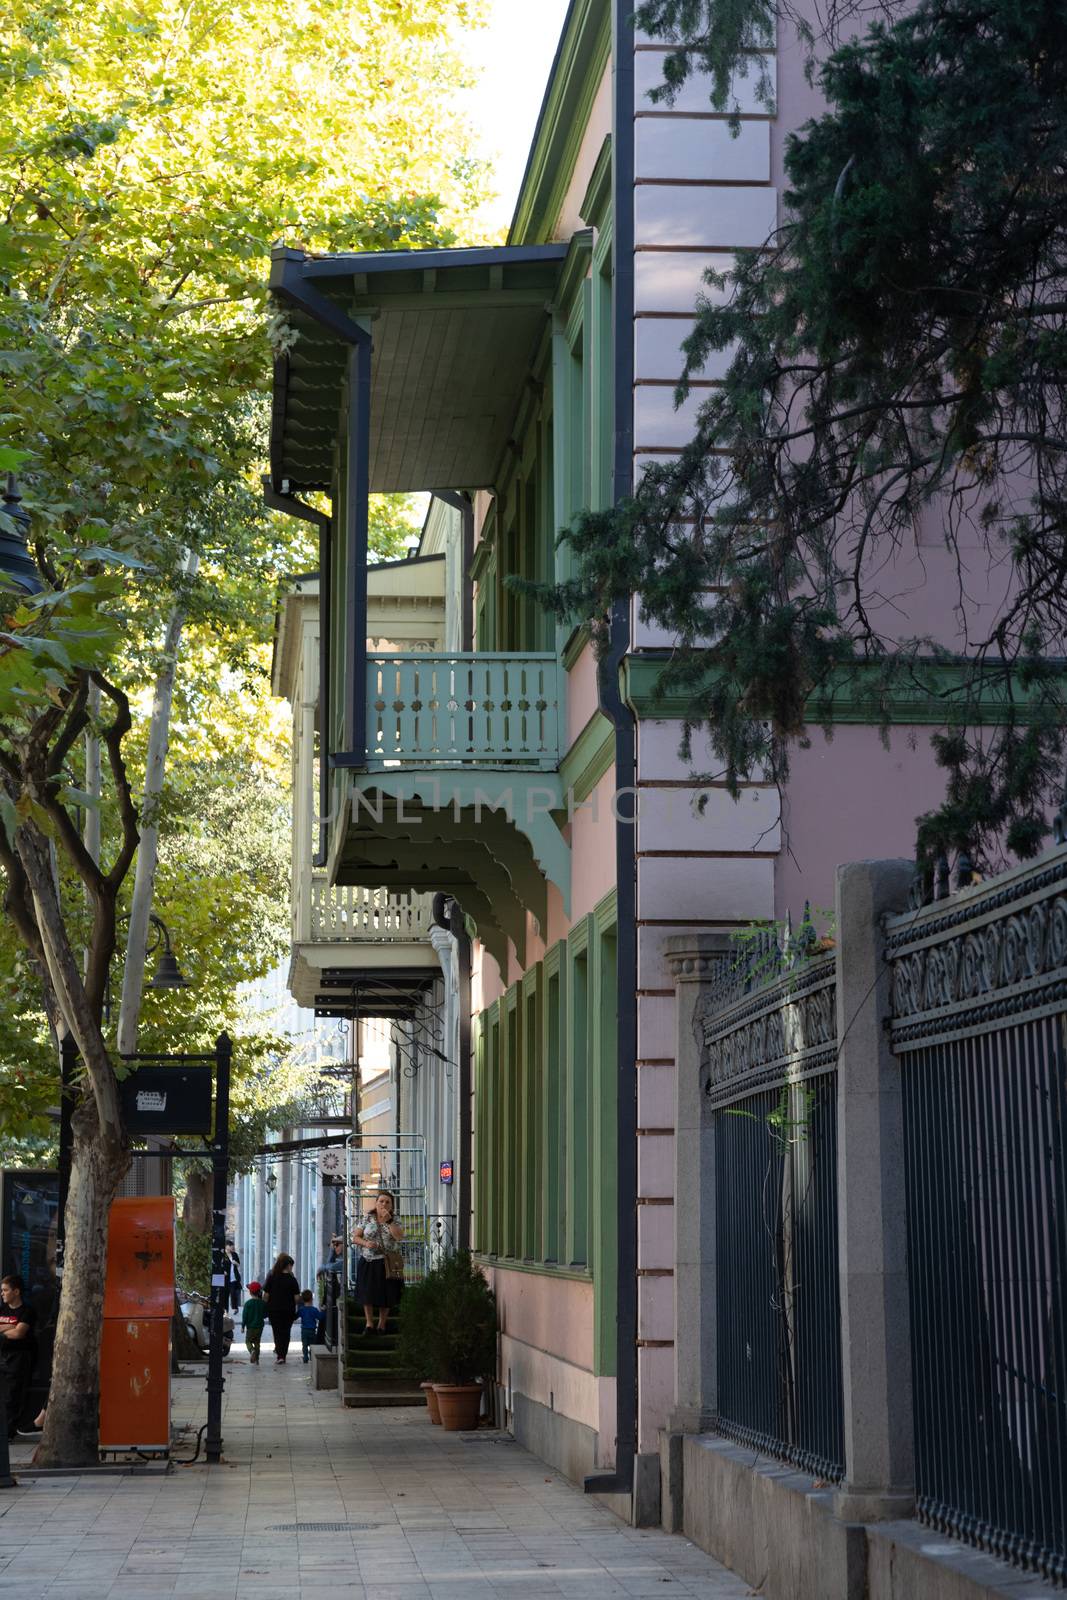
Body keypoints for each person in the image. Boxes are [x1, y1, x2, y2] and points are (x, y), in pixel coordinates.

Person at [352, 1190, 404, 1336]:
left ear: (392, 1206)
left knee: (386, 1294)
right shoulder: (368, 1218)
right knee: (367, 1293)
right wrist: (365, 1243)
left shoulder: (396, 1220)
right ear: (376, 1203)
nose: (384, 1204)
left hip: (386, 1263)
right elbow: (355, 1237)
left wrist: (389, 1221)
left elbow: (399, 1237)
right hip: (368, 1261)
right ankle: (369, 1324)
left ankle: (382, 1324)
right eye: (381, 1201)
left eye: (387, 1202)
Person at [0, 1274, 37, 1439]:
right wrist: (9, 1326)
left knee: (12, 1396)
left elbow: (18, 1333)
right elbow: (13, 1330)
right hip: (2, 1354)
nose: (2, 1294)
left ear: (16, 1292)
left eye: (5, 1290)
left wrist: (3, 1328)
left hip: (19, 1358)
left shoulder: (27, 1311)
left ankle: (8, 1432)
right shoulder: (2, 1310)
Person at [262, 1253, 299, 1363]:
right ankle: (283, 1354)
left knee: (277, 1332)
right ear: (287, 1265)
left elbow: (266, 1295)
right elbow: (296, 1298)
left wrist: (266, 1305)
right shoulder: (292, 1280)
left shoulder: (272, 1277)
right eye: (291, 1265)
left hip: (274, 1310)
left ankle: (280, 1355)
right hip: (288, 1310)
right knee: (286, 1332)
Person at [318, 1234, 343, 1349]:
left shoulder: (346, 1258)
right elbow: (328, 1265)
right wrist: (332, 1251)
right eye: (333, 1245)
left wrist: (321, 1268)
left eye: (336, 1245)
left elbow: (329, 1267)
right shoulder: (339, 1257)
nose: (334, 1247)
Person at [241, 1280, 266, 1365]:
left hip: (250, 1327)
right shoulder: (262, 1303)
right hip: (259, 1327)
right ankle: (257, 1359)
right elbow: (265, 1315)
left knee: (248, 1341)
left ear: (250, 1292)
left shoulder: (248, 1304)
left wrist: (243, 1326)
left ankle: (252, 1351)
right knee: (257, 1343)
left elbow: (245, 1316)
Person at [297, 1290, 323, 1363]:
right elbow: (320, 1317)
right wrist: (323, 1311)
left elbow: (296, 1316)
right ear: (311, 1298)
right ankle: (312, 1356)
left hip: (304, 1330)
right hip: (312, 1330)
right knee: (312, 1345)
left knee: (304, 1345)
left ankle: (305, 1357)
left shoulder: (301, 1309)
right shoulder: (314, 1310)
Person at [224, 1242, 242, 1313]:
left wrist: (235, 1263)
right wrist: (223, 1271)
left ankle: (235, 1308)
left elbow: (238, 1264)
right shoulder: (222, 1255)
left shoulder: (234, 1254)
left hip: (234, 1277)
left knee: (233, 1293)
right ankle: (226, 1310)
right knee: (226, 1295)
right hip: (225, 1278)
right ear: (227, 1246)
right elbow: (218, 1265)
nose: (232, 1247)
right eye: (231, 1246)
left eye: (232, 1246)